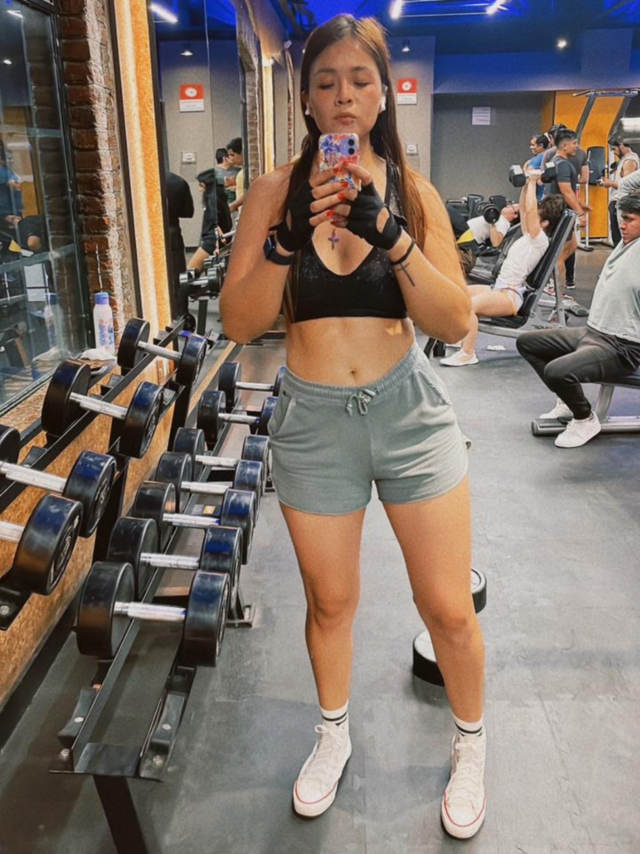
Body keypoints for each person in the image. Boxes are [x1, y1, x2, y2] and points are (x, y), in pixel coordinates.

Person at [220, 14, 487, 840]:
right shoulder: (272, 192)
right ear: (305, 98)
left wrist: (391, 236)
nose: (343, 96)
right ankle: (332, 734)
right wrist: (284, 241)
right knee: (330, 604)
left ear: (382, 95)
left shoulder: (413, 192)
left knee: (448, 608)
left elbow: (456, 323)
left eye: (360, 80)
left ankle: (471, 744)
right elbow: (239, 323)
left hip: (407, 414)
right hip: (312, 419)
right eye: (327, 81)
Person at [516, 190, 640, 448]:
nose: (622, 225)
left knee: (557, 371)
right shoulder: (626, 244)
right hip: (594, 332)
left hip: (622, 346)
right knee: (528, 343)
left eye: (629, 219)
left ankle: (584, 418)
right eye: (622, 218)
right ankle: (567, 401)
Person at [440, 174, 564, 367]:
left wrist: (533, 182)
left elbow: (531, 211)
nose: (529, 217)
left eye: (537, 216)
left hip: (509, 295)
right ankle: (461, 335)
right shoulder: (529, 236)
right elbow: (526, 210)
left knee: (470, 305)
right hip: (498, 288)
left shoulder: (540, 241)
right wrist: (526, 184)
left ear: (545, 223)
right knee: (456, 293)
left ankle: (468, 353)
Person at [543, 129, 590, 291]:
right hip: (559, 214)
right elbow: (566, 191)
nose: (576, 146)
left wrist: (580, 204)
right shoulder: (563, 165)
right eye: (574, 143)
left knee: (572, 246)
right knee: (560, 254)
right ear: (564, 146)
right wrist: (581, 213)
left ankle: (552, 284)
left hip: (556, 211)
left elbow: (561, 190)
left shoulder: (555, 162)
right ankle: (556, 290)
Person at [187, 168, 232, 274]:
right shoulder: (220, 198)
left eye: (201, 186)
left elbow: (214, 222)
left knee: (190, 271)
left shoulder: (212, 200)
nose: (199, 190)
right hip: (216, 240)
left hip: (211, 241)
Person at [600, 138, 640, 245]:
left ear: (622, 145)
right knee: (616, 237)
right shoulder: (625, 159)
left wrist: (610, 183)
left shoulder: (630, 161)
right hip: (617, 200)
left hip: (621, 201)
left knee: (620, 238)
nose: (613, 152)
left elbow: (626, 186)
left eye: (614, 149)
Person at [165, 170, 194, 315]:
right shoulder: (177, 182)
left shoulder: (139, 180)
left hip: (146, 233)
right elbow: (188, 212)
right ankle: (181, 315)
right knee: (177, 278)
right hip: (172, 233)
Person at [525, 133, 550, 200]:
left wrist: (526, 166)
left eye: (533, 145)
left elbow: (527, 176)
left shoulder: (539, 158)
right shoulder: (547, 155)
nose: (531, 147)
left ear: (541, 145)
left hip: (538, 197)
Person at [226, 137, 245, 215]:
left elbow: (250, 192)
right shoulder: (242, 171)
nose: (231, 158)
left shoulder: (246, 172)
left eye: (232, 155)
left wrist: (234, 205)